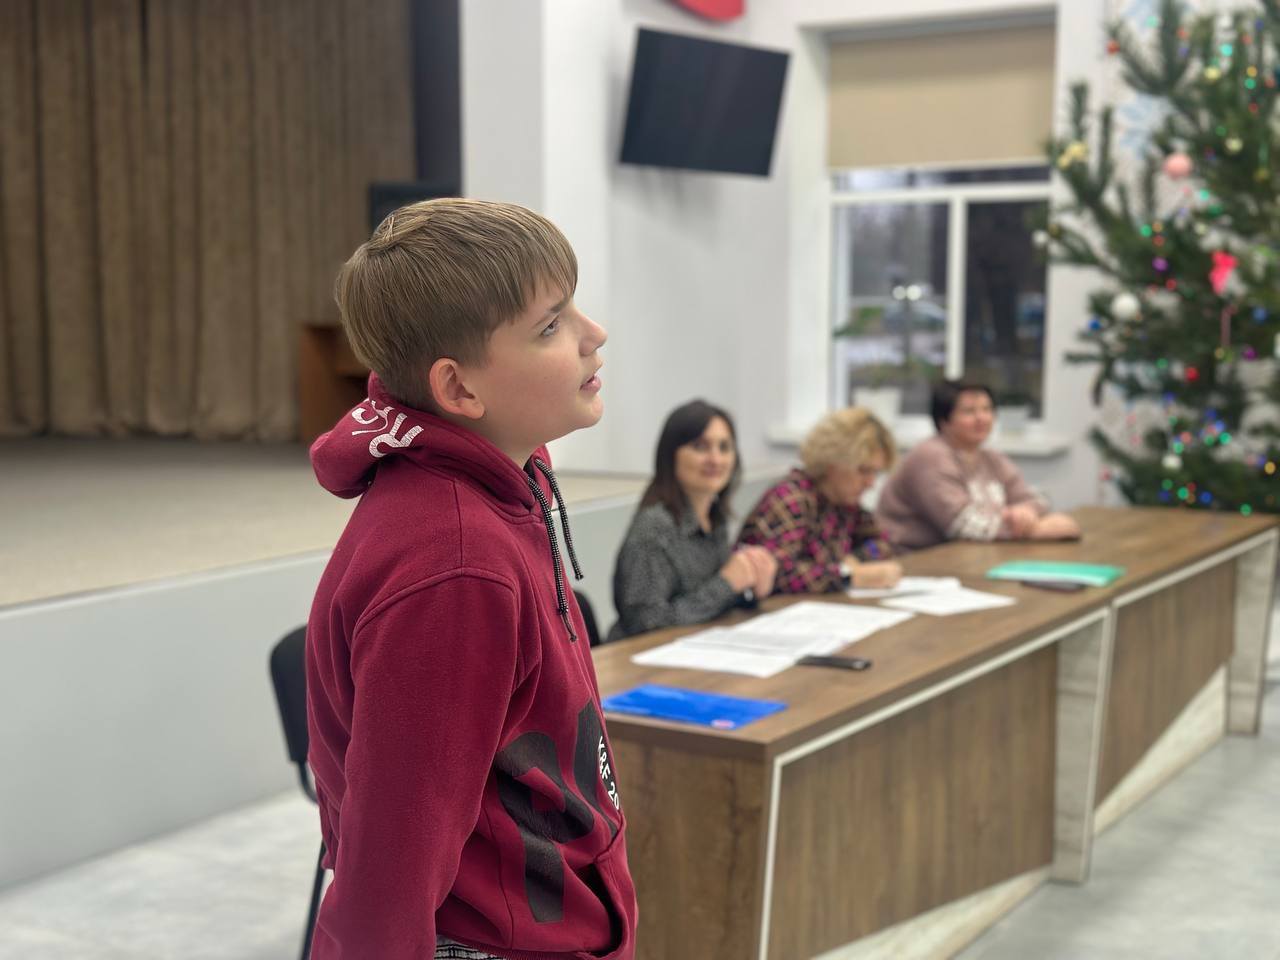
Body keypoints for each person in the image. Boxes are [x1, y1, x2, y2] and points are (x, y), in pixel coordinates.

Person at [305, 199, 637, 960]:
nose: (594, 333)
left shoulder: (510, 478)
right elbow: (390, 859)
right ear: (458, 391)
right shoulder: (455, 567)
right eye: (550, 326)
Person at [608, 400, 777, 641]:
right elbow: (645, 623)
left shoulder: (715, 518)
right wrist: (727, 583)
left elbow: (711, 605)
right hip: (642, 656)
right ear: (671, 455)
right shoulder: (654, 527)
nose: (716, 459)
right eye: (700, 447)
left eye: (724, 447)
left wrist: (751, 587)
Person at [876, 380, 1081, 550]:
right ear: (944, 420)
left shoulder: (990, 457)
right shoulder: (930, 457)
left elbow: (1035, 498)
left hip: (967, 555)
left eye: (987, 409)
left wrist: (1025, 512)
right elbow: (962, 525)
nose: (981, 418)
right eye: (969, 412)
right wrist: (1035, 530)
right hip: (913, 559)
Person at [737, 407, 902, 592]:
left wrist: (856, 559)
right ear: (833, 462)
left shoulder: (844, 503)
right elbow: (779, 572)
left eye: (875, 473)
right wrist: (849, 575)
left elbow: (881, 543)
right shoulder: (792, 499)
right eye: (863, 471)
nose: (871, 483)